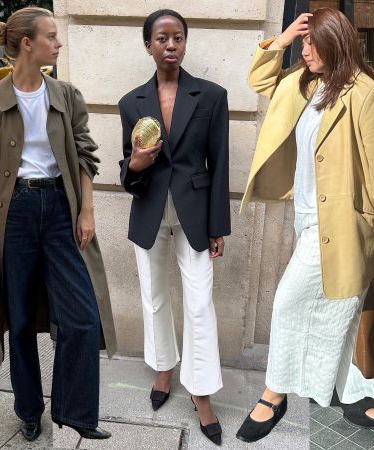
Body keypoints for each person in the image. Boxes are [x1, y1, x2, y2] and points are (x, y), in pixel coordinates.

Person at [236, 8, 374, 443]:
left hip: (346, 226)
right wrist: (284, 37)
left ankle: (275, 394)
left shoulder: (366, 94)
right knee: (347, 314)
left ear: (338, 44)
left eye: (314, 43)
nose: (307, 51)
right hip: (307, 218)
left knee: (290, 301)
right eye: (304, 44)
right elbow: (258, 81)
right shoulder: (304, 84)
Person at [0, 7, 116, 442]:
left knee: (83, 316)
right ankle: (29, 410)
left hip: (60, 209)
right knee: (22, 318)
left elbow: (84, 154)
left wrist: (86, 210)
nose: (58, 42)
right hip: (15, 214)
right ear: (27, 44)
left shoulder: (66, 94)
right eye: (51, 36)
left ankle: (76, 410)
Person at [118, 9, 230, 446]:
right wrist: (135, 164)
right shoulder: (131, 103)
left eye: (178, 38)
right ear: (148, 45)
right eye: (162, 38)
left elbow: (220, 164)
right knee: (154, 298)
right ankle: (164, 369)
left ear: (185, 43)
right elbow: (128, 174)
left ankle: (201, 392)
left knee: (199, 303)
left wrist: (218, 225)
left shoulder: (212, 96)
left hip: (194, 215)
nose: (171, 45)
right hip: (149, 212)